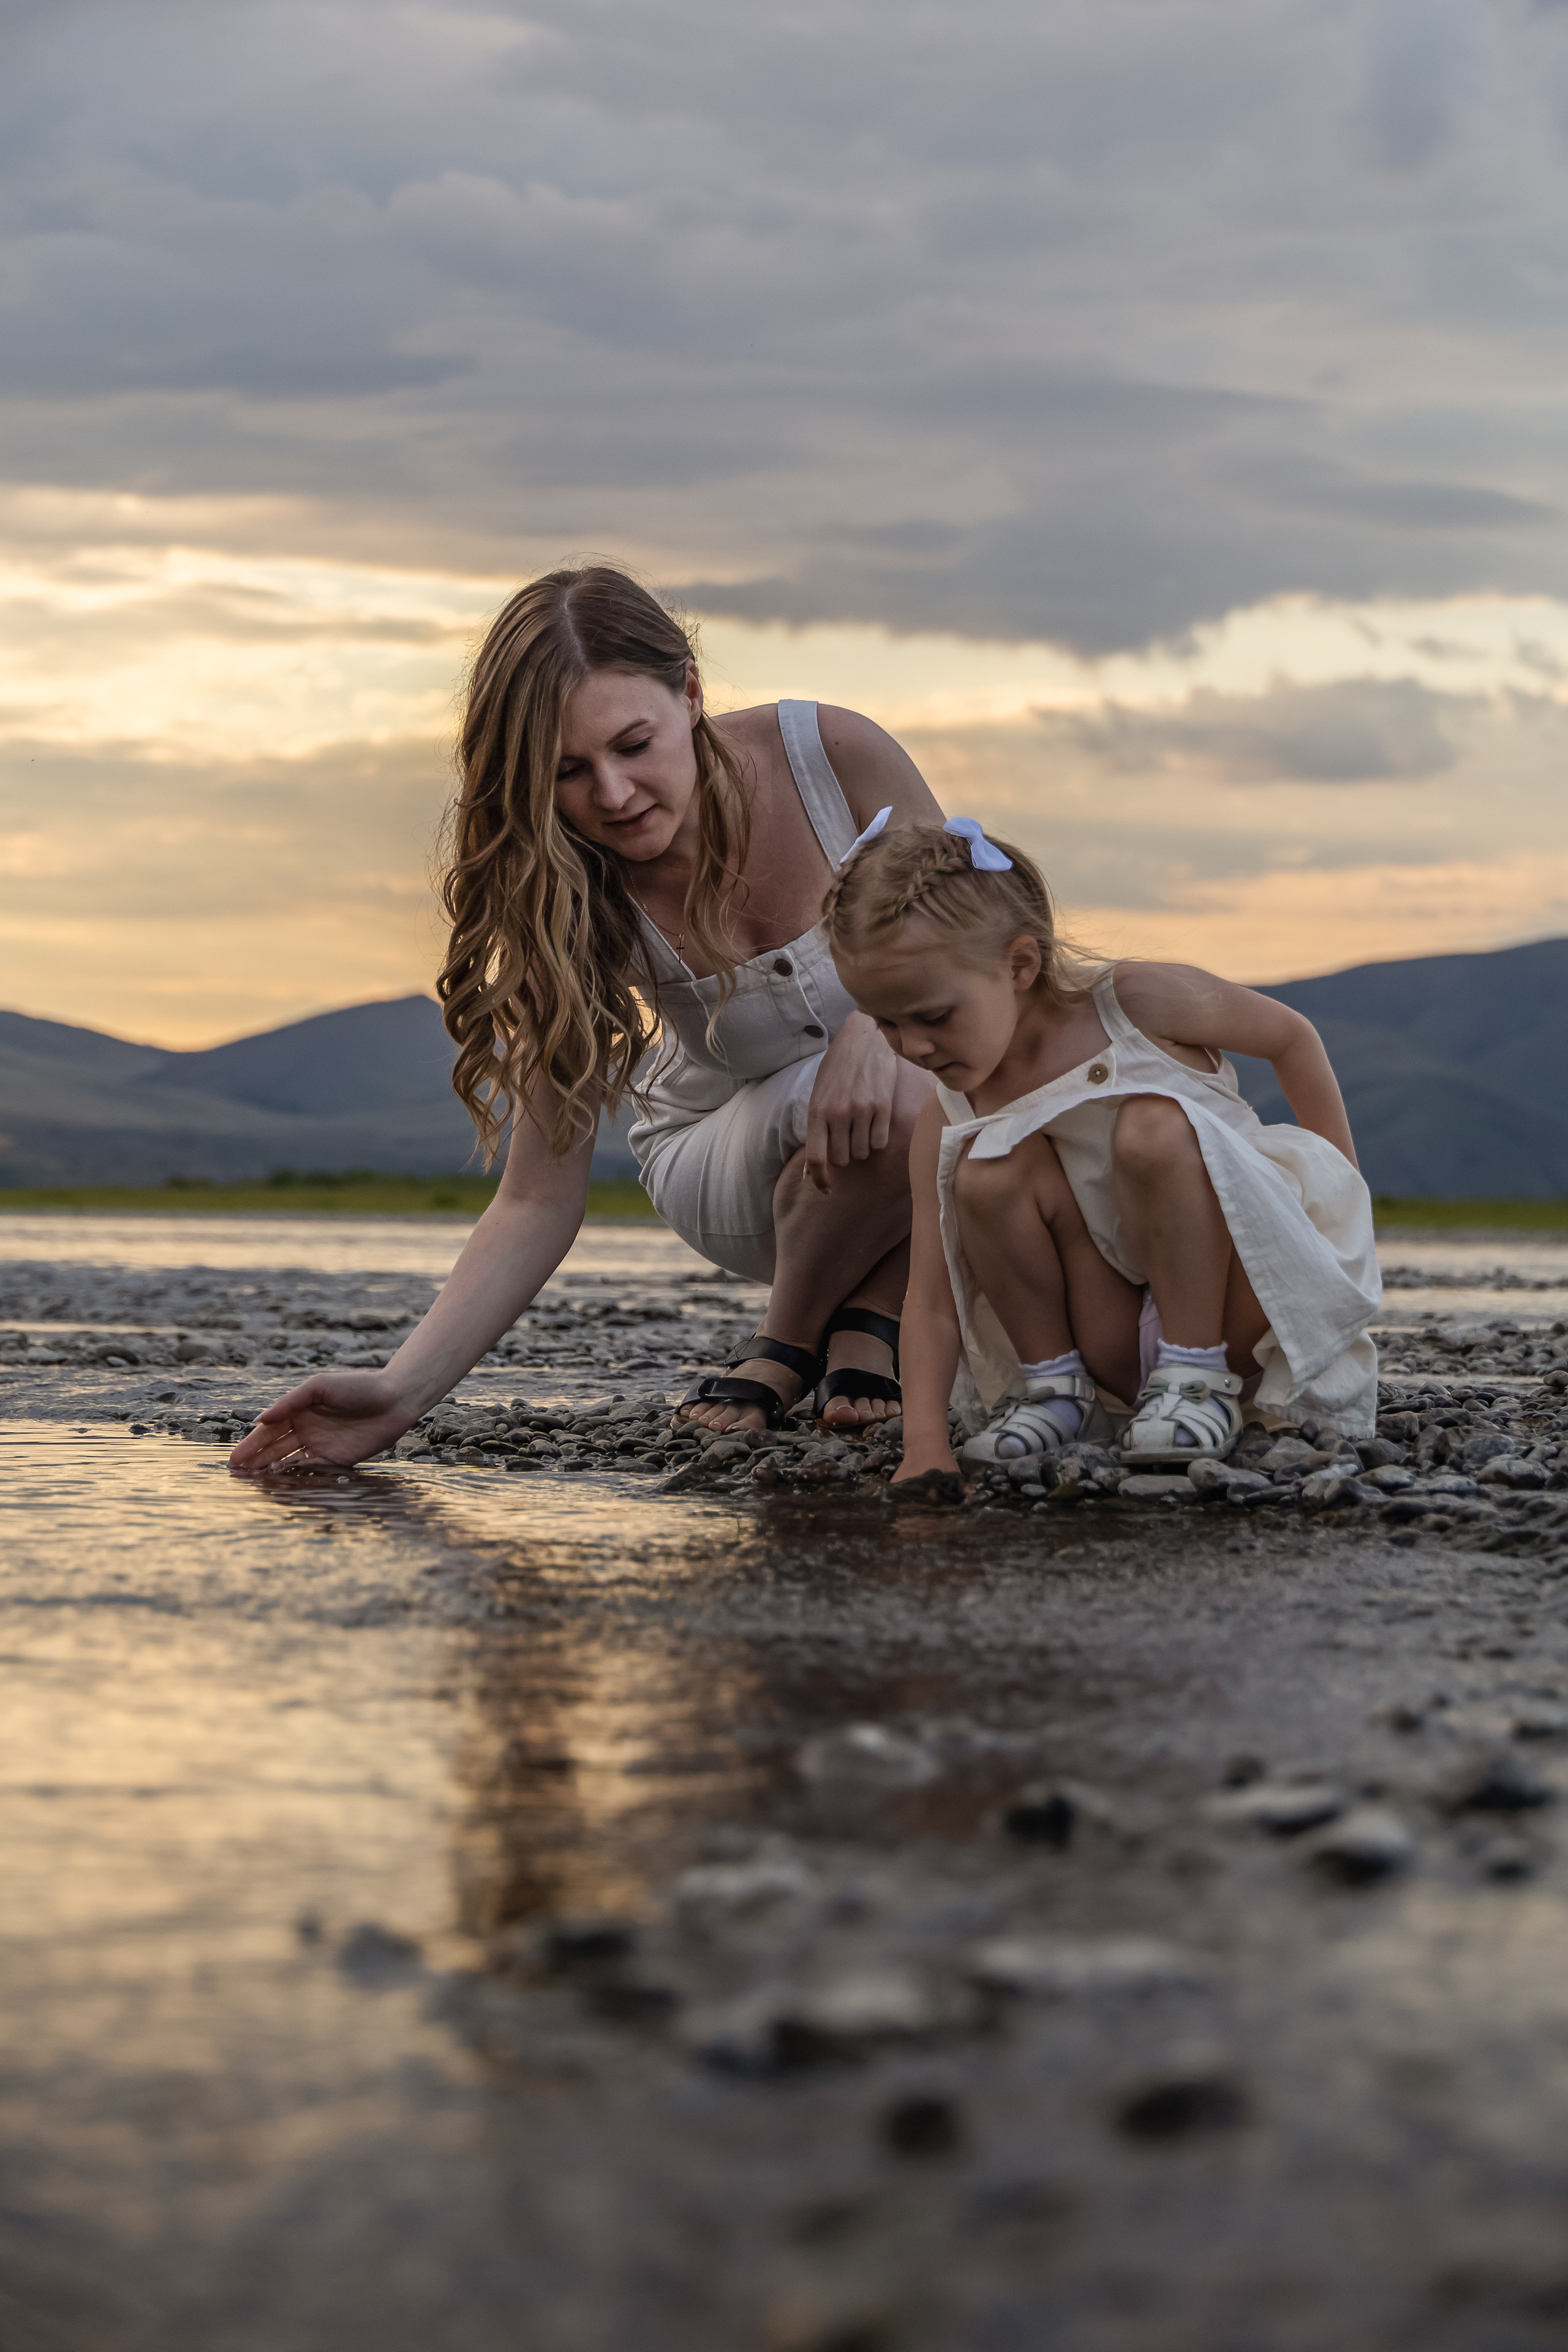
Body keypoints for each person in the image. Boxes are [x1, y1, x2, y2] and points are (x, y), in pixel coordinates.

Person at [231, 565, 943, 1477]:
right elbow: (536, 1196)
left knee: (988, 1069)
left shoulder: (830, 755)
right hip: (726, 1157)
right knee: (926, 1085)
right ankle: (794, 1339)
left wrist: (875, 1021)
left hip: (914, 1138)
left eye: (634, 744)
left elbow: (986, 953)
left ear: (689, 692)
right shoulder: (564, 889)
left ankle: (872, 1316)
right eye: (568, 772)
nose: (612, 795)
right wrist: (398, 1393)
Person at [818, 816, 1381, 1487]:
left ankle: (1196, 1381)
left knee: (1151, 1125)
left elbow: (1292, 1038)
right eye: (885, 1023)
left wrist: (1342, 1208)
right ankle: (1059, 1394)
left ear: (1020, 965)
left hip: (1238, 1305)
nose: (912, 1049)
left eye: (934, 1017)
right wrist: (924, 1447)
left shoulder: (1134, 1005)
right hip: (1109, 1342)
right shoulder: (950, 1116)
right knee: (985, 1171)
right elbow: (931, 1300)